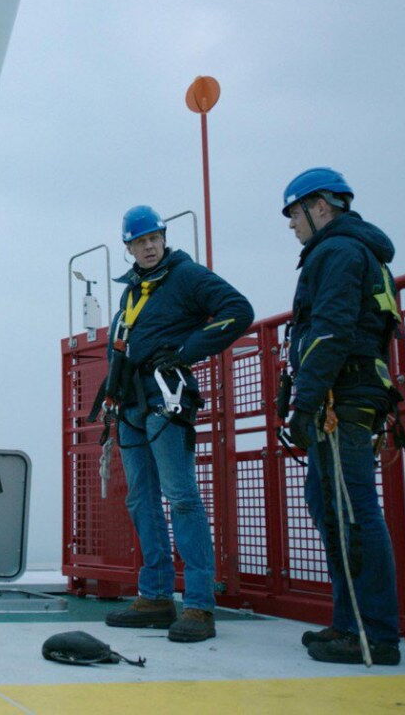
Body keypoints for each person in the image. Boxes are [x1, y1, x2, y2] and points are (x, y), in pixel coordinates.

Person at [102, 206, 253, 642]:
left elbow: (238, 310)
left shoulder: (187, 276)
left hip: (166, 403)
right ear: (128, 247)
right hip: (130, 405)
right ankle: (155, 597)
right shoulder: (131, 291)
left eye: (154, 238)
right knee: (141, 501)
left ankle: (200, 606)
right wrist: (113, 397)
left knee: (182, 497)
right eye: (139, 241)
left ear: (164, 238)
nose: (149, 246)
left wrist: (186, 351)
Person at [280, 167, 402, 664]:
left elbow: (330, 331)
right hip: (353, 389)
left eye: (294, 214)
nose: (292, 226)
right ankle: (348, 621)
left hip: (342, 394)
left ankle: (374, 634)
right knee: (329, 502)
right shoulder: (355, 251)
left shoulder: (338, 252)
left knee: (352, 509)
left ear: (320, 207)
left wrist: (304, 403)